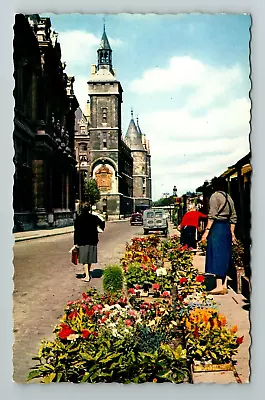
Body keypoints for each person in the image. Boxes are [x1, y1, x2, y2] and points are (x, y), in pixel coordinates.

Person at [200, 177, 237, 295]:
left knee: (216, 255)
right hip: (226, 228)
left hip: (217, 228)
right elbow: (233, 218)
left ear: (214, 186)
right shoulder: (229, 197)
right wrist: (232, 233)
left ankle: (218, 286)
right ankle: (224, 285)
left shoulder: (215, 196)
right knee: (224, 256)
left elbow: (212, 216)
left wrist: (206, 232)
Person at [73, 203, 105, 282]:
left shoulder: (78, 219)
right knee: (89, 258)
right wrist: (99, 229)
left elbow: (76, 232)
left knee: (84, 260)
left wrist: (75, 243)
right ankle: (87, 273)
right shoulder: (94, 217)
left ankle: (87, 276)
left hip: (82, 241)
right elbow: (102, 223)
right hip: (93, 240)